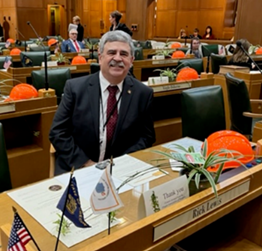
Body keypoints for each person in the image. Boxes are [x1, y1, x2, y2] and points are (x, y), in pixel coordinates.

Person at [49, 30, 155, 173]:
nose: (117, 58)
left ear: (131, 61)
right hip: (77, 168)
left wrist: (120, 164)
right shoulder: (75, 89)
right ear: (100, 57)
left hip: (120, 171)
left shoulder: (143, 94)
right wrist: (86, 164)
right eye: (111, 53)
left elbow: (146, 137)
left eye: (123, 54)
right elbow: (57, 132)